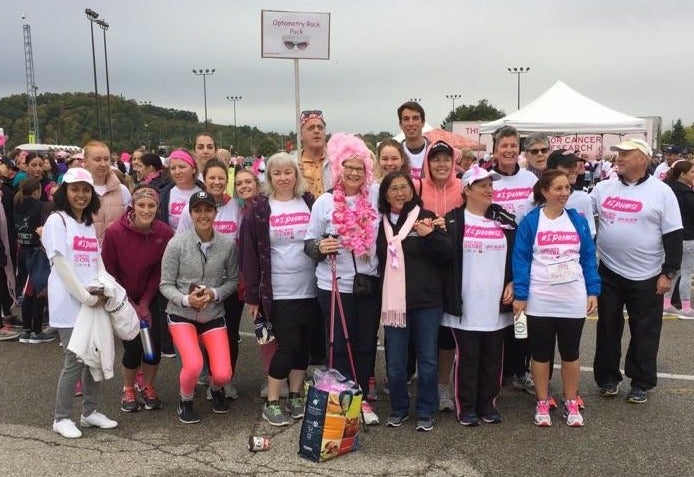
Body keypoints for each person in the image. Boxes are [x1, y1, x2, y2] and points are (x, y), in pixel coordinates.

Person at [591, 139, 683, 404]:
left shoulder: (662, 192)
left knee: (645, 330)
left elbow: (673, 235)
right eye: (618, 154)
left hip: (648, 274)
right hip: (609, 271)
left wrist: (669, 272)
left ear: (643, 159)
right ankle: (607, 378)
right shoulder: (603, 188)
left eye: (626, 155)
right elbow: (582, 212)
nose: (619, 158)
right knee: (607, 326)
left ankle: (641, 381)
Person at [513, 170, 600, 427]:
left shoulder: (577, 220)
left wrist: (593, 290)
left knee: (570, 352)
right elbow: (520, 259)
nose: (564, 193)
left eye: (567, 188)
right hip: (540, 295)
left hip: (572, 295)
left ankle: (570, 400)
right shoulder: (531, 221)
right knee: (541, 353)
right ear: (544, 191)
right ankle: (542, 399)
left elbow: (587, 257)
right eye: (558, 188)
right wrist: (521, 294)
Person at [304, 132, 381, 426]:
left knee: (364, 344)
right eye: (348, 166)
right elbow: (309, 244)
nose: (353, 172)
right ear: (338, 167)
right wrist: (321, 247)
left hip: (367, 284)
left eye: (359, 167)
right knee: (335, 346)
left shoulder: (373, 195)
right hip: (333, 285)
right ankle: (339, 401)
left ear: (366, 170)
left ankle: (360, 399)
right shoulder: (324, 202)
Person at [241, 152, 319, 427]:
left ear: (296, 175)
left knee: (303, 348)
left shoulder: (309, 202)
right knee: (286, 347)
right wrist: (252, 294)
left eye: (289, 172)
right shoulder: (260, 210)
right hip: (279, 291)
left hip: (310, 288)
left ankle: (296, 395)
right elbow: (249, 254)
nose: (284, 177)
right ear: (269, 177)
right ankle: (273, 401)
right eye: (278, 173)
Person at [43, 167, 118, 439]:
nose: (81, 195)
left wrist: (104, 286)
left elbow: (96, 262)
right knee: (74, 360)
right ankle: (61, 417)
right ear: (65, 191)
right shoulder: (56, 221)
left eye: (86, 190)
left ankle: (89, 412)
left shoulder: (87, 223)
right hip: (70, 305)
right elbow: (61, 265)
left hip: (92, 301)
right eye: (75, 189)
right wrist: (85, 297)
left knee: (93, 358)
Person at [376, 171, 454, 432]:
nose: (400, 193)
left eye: (405, 187)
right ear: (385, 194)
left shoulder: (426, 217)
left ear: (413, 190)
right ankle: (399, 409)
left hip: (426, 302)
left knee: (428, 360)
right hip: (394, 305)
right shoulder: (380, 222)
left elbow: (447, 253)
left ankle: (425, 410)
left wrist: (429, 236)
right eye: (394, 188)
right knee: (396, 363)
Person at [441, 165, 515, 427]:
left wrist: (514, 281)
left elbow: (517, 256)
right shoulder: (452, 220)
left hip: (496, 303)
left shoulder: (504, 219)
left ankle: (488, 404)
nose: (489, 190)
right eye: (482, 185)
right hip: (467, 304)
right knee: (468, 358)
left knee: (493, 358)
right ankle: (466, 406)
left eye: (490, 185)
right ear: (467, 190)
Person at [159, 191, 239, 424]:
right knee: (193, 365)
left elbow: (233, 280)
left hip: (213, 313)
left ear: (215, 212)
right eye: (198, 210)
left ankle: (216, 389)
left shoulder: (227, 245)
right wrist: (186, 300)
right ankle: (185, 400)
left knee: (223, 373)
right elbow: (165, 284)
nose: (203, 215)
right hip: (181, 314)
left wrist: (214, 294)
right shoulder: (176, 244)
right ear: (191, 213)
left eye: (208, 210)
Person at [101, 185, 174, 412]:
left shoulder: (165, 233)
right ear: (132, 206)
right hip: (123, 296)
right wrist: (130, 303)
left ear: (157, 208)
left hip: (151, 296)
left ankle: (149, 386)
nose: (146, 210)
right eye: (141, 205)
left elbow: (160, 271)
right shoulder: (114, 233)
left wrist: (144, 302)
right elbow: (109, 271)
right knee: (132, 347)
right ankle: (128, 388)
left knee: (152, 346)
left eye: (151, 205)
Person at [176, 159, 244, 400]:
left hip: (230, 279)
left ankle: (225, 380)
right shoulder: (191, 207)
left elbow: (242, 240)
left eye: (221, 178)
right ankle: (202, 374)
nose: (217, 182)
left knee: (230, 333)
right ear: (204, 179)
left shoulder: (236, 206)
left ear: (228, 180)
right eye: (212, 177)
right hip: (200, 280)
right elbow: (181, 242)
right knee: (201, 331)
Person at [415, 139, 463, 412]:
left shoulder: (463, 189)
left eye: (446, 159)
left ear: (453, 162)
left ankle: (443, 387)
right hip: (423, 267)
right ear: (427, 163)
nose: (441, 164)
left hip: (453, 266)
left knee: (446, 332)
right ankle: (425, 383)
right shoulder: (418, 187)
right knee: (422, 331)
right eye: (435, 160)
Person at [490, 126, 538, 396]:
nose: (508, 150)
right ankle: (498, 370)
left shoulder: (530, 180)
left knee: (521, 314)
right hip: (494, 253)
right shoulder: (486, 178)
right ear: (495, 149)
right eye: (503, 145)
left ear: (519, 150)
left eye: (512, 145)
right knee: (498, 312)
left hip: (523, 253)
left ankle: (521, 370)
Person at [14, 178, 53, 343]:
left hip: (22, 250)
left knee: (27, 292)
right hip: (37, 252)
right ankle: (36, 331)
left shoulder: (16, 204)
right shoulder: (39, 206)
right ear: (36, 191)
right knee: (38, 291)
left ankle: (26, 330)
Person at [82, 141, 132, 243]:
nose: (103, 164)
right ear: (85, 161)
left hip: (117, 252)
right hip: (87, 254)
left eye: (106, 159)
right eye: (97, 159)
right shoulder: (77, 194)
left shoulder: (122, 190)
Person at [662, 160, 694, 319]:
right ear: (682, 174)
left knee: (675, 271)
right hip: (688, 236)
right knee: (687, 273)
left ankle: (666, 303)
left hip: (672, 236)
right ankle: (686, 306)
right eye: (692, 172)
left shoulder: (667, 189)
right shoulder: (687, 194)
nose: (693, 175)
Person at [158, 148, 203, 232]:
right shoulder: (163, 195)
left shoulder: (205, 192)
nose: (177, 172)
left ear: (193, 169)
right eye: (173, 168)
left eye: (182, 167)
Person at [298, 110, 331, 198]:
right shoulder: (293, 164)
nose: (317, 131)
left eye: (320, 128)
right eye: (311, 128)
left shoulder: (336, 161)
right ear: (301, 135)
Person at [397, 101, 428, 180]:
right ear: (400, 124)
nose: (411, 123)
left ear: (423, 122)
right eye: (406, 119)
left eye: (415, 118)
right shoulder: (396, 152)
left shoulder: (434, 150)